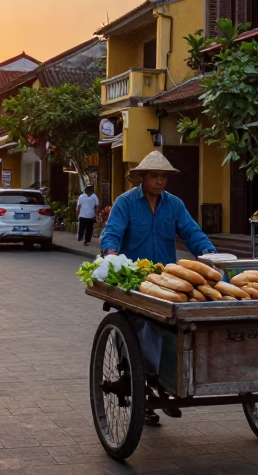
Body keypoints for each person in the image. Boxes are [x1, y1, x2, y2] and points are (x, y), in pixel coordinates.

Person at [99, 151, 216, 426]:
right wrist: (110, 255)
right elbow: (112, 233)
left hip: (165, 280)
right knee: (135, 327)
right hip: (135, 281)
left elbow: (192, 233)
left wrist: (210, 254)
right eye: (154, 176)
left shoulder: (174, 205)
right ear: (142, 177)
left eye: (163, 176)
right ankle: (138, 377)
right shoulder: (125, 203)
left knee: (170, 329)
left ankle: (158, 378)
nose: (159, 181)